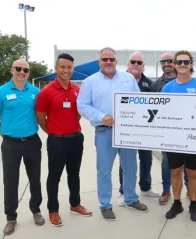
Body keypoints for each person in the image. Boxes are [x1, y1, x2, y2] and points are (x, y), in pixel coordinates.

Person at [77, 47, 148, 221]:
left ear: (116, 61)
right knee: (104, 170)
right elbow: (82, 105)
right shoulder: (90, 82)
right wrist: (102, 117)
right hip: (104, 131)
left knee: (130, 167)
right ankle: (105, 205)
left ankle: (131, 198)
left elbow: (138, 101)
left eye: (111, 59)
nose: (108, 62)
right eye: (105, 59)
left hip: (126, 132)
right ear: (99, 62)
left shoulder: (128, 79)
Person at [35, 53, 92, 227]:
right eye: (63, 67)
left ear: (72, 69)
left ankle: (75, 204)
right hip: (57, 141)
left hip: (76, 139)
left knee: (74, 175)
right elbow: (40, 117)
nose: (66, 70)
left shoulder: (77, 90)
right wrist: (54, 132)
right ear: (56, 68)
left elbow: (79, 112)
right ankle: (53, 210)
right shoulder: (46, 92)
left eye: (69, 67)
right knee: (54, 177)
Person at [0, 59, 44, 235]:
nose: (22, 72)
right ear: (12, 70)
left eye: (26, 70)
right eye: (19, 68)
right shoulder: (0, 93)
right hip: (11, 144)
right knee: (10, 181)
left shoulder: (35, 92)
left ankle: (36, 210)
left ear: (29, 73)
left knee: (35, 179)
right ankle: (11, 217)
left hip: (32, 141)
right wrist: (6, 136)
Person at [162, 50, 196, 222]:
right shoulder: (168, 88)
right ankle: (176, 203)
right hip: (174, 138)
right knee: (175, 171)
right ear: (174, 64)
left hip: (193, 138)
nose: (182, 65)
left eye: (185, 62)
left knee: (192, 172)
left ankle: (193, 204)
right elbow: (162, 114)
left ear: (191, 64)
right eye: (179, 62)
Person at [117, 51, 159, 207]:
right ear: (128, 64)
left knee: (146, 159)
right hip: (127, 129)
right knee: (126, 162)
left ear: (143, 66)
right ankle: (124, 191)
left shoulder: (150, 84)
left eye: (139, 63)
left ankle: (145, 186)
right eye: (133, 62)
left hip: (145, 129)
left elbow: (156, 106)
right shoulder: (118, 81)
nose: (136, 65)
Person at [150, 52, 189, 205]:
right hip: (166, 131)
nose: (166, 64)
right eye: (163, 61)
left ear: (175, 63)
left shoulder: (188, 82)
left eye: (169, 61)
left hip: (186, 130)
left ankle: (189, 190)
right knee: (166, 161)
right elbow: (152, 108)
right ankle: (167, 190)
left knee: (187, 162)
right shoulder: (156, 84)